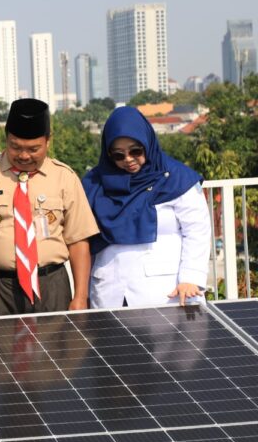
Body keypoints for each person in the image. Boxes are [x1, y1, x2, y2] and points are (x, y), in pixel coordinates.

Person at [0, 98, 99, 315]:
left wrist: (80, 296)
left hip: (51, 286)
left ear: (48, 141)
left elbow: (78, 241)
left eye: (33, 149)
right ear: (6, 139)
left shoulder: (64, 177)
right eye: (15, 147)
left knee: (54, 349)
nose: (23, 156)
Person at [81, 106, 210, 308]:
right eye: (118, 155)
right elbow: (82, 238)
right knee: (112, 340)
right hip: (110, 292)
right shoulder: (95, 183)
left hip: (166, 292)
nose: (128, 160)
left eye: (135, 151)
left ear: (147, 144)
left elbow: (197, 230)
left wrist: (191, 277)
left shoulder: (177, 178)